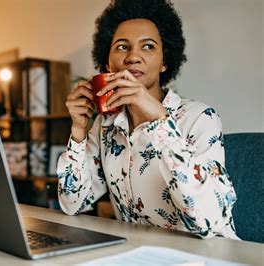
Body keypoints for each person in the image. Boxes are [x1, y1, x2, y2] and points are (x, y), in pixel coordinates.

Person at [57, 0, 238, 239]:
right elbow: (73, 204)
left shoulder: (199, 118)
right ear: (107, 63)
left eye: (148, 46)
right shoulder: (106, 126)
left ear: (164, 62)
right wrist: (79, 132)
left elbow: (207, 222)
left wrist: (160, 121)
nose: (133, 56)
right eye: (122, 47)